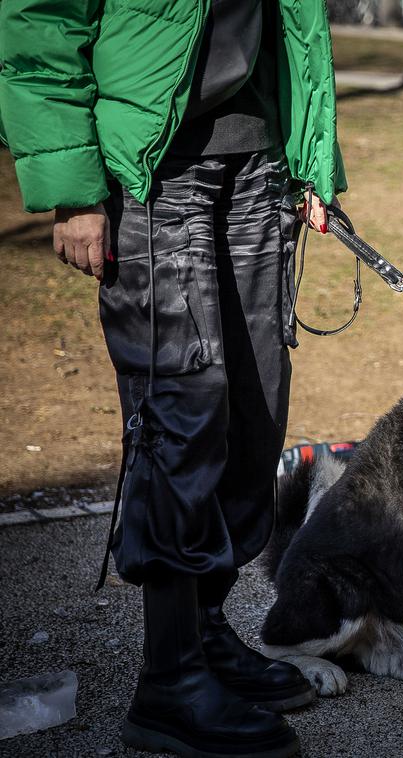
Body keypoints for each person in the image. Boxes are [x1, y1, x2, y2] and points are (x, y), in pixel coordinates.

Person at [0, 1, 346, 755]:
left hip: (257, 162)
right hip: (151, 170)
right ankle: (170, 682)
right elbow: (39, 26)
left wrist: (311, 161)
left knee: (254, 415)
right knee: (182, 417)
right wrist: (74, 184)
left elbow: (295, 26)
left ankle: (209, 631)